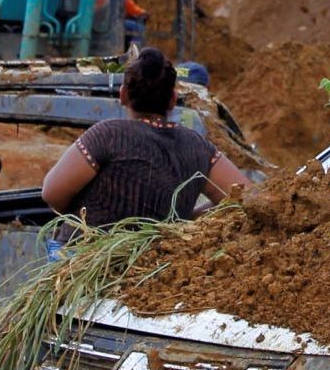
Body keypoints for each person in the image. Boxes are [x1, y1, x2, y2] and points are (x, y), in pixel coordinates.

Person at [42, 47, 251, 235]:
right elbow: (244, 198)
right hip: (154, 268)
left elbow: (52, 193)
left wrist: (82, 218)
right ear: (172, 100)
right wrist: (190, 220)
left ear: (123, 95)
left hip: (85, 264)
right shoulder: (198, 147)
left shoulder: (108, 135)